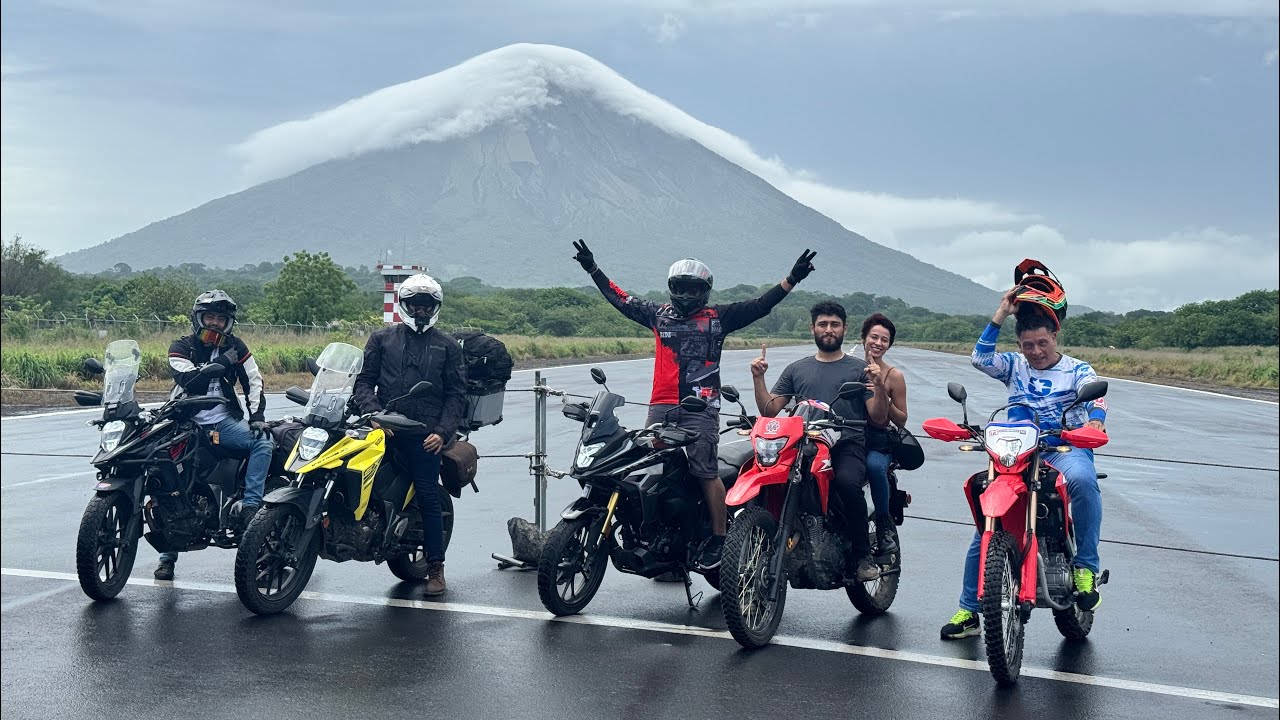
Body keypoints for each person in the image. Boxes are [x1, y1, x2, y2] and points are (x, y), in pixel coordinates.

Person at [572, 239, 816, 572]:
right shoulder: (658, 315)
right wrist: (593, 269)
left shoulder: (719, 318)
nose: (686, 294)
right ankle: (662, 541)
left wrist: (791, 280)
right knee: (653, 468)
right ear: (672, 288)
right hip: (661, 404)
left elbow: (760, 305)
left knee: (704, 470)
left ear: (704, 290)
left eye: (693, 288)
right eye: (681, 288)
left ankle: (718, 537)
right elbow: (620, 298)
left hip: (701, 408)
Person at [940, 283, 1108, 640]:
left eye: (1042, 343)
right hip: (1016, 451)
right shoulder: (1014, 365)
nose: (1036, 351)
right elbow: (980, 358)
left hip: (1064, 447)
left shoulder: (1078, 370)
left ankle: (1086, 568)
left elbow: (1097, 397)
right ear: (1019, 345)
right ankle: (970, 609)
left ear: (1054, 337)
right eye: (1028, 345)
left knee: (1083, 481)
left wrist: (1094, 421)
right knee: (988, 524)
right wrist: (1001, 313)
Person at [750, 300, 890, 581]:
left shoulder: (858, 369)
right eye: (823, 324)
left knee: (848, 483)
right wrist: (758, 378)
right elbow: (770, 410)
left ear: (844, 329)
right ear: (812, 328)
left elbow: (877, 417)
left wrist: (879, 387)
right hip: (802, 443)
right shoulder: (796, 369)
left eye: (834, 324)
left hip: (845, 443)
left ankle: (862, 555)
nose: (829, 329)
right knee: (766, 479)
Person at [353, 273, 466, 597]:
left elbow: (457, 395)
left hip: (424, 433)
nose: (420, 309)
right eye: (414, 304)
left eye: (426, 304)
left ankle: (435, 567)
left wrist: (443, 434)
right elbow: (364, 381)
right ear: (404, 305)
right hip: (383, 426)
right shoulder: (381, 339)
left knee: (429, 495)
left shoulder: (447, 347)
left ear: (435, 307)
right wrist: (373, 415)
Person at [156, 289, 271, 581]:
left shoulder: (237, 347)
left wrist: (256, 417)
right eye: (210, 317)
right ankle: (167, 557)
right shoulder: (181, 346)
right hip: (182, 424)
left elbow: (253, 381)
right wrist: (219, 366)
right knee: (166, 475)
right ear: (198, 318)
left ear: (228, 322)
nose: (215, 324)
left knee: (264, 441)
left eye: (222, 318)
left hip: (222, 424)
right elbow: (187, 378)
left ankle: (250, 507)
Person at [860, 313, 908, 556]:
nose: (878, 343)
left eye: (884, 340)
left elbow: (902, 419)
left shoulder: (894, 376)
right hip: (850, 435)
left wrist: (884, 398)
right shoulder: (851, 369)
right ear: (863, 338)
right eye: (874, 337)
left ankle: (883, 525)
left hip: (878, 441)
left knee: (874, 467)